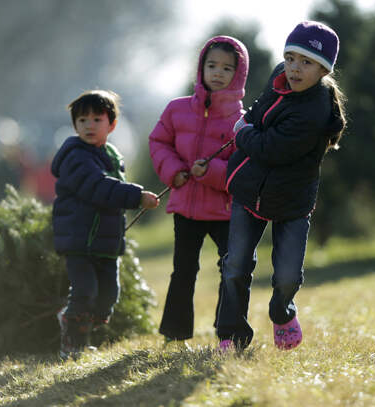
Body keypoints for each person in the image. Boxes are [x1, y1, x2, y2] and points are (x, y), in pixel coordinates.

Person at [216, 21, 347, 351]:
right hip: (251, 191)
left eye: (306, 62)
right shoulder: (280, 78)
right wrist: (250, 123)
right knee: (235, 266)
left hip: (292, 202)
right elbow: (261, 114)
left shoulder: (314, 111)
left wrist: (242, 131)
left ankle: (282, 312)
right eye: (290, 58)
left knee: (288, 276)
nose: (294, 68)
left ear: (323, 70)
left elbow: (269, 147)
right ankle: (231, 333)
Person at [149, 36, 249, 342]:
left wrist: (211, 174)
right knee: (183, 271)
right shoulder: (177, 110)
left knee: (231, 270)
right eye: (212, 65)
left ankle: (228, 331)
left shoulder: (242, 122)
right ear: (200, 68)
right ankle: (175, 331)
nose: (218, 72)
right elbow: (159, 142)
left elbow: (243, 167)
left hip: (224, 211)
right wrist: (174, 172)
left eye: (227, 68)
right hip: (185, 208)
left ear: (239, 74)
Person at [51, 90, 160, 360]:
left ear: (111, 125)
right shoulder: (76, 157)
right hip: (79, 239)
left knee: (108, 296)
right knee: (85, 291)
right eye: (82, 120)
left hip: (105, 241)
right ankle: (72, 344)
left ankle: (80, 328)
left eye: (96, 119)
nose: (89, 125)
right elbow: (98, 188)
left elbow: (111, 191)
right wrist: (136, 196)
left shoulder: (111, 154)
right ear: (74, 125)